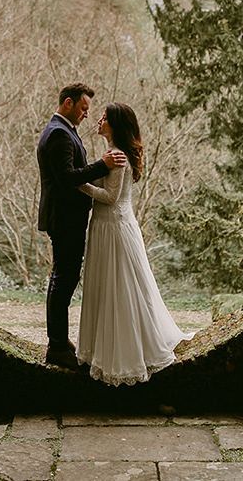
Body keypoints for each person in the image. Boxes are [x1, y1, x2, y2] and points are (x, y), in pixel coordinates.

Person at [77, 102, 192, 386]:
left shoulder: (117, 156)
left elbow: (110, 197)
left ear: (115, 124)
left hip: (113, 228)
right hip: (109, 226)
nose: (99, 121)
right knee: (113, 288)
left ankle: (124, 355)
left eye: (104, 117)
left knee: (120, 290)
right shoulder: (113, 153)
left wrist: (77, 182)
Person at [37, 83, 127, 370]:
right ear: (68, 103)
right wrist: (103, 165)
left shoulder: (62, 130)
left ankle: (59, 342)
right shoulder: (59, 135)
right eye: (83, 108)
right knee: (63, 280)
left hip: (67, 218)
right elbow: (67, 178)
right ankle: (57, 346)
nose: (87, 115)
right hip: (64, 219)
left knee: (64, 278)